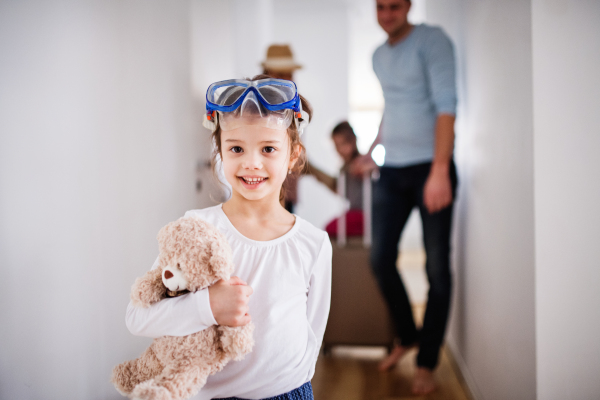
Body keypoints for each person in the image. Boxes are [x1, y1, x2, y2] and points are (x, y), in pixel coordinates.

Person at [125, 75, 332, 400]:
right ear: (220, 151)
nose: (252, 162)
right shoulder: (195, 228)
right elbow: (138, 317)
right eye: (236, 148)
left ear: (293, 155)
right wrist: (208, 306)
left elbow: (311, 341)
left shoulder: (314, 244)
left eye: (268, 149)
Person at [351, 0, 458, 395]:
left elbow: (447, 107)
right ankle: (408, 336)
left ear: (409, 6)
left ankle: (427, 362)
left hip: (431, 168)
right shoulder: (378, 55)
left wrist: (440, 171)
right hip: (392, 171)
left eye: (395, 6)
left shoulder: (433, 41)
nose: (387, 14)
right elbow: (392, 107)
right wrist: (373, 150)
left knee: (437, 273)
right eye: (381, 7)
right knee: (380, 259)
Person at [261, 44, 303, 213]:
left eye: (289, 74)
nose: (286, 79)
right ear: (266, 74)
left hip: (289, 191)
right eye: (280, 74)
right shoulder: (256, 108)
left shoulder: (295, 106)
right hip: (265, 191)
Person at [305, 121, 365, 237]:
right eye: (336, 146)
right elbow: (340, 189)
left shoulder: (361, 164)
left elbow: (338, 188)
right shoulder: (344, 168)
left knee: (330, 228)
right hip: (353, 212)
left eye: (343, 144)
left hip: (364, 213)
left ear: (353, 141)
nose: (339, 150)